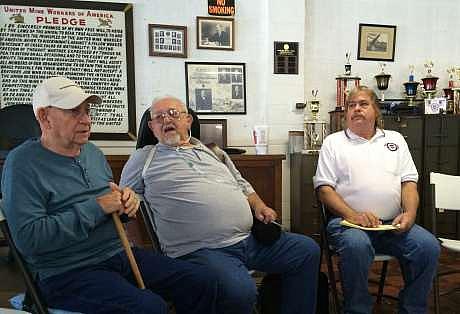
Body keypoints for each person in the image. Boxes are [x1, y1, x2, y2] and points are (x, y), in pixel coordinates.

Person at [1, 77, 218, 314]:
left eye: (87, 110)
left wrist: (126, 205)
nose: (86, 119)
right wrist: (98, 207)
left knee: (202, 280)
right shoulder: (22, 164)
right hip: (66, 272)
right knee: (149, 307)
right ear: (44, 117)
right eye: (74, 112)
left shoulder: (92, 153)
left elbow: (110, 208)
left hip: (117, 254)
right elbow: (29, 239)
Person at [120, 96, 320, 314]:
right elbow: (127, 204)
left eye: (173, 113)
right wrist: (138, 249)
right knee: (240, 291)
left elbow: (243, 185)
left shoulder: (213, 152)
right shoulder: (143, 158)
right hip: (199, 250)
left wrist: (259, 205)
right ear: (151, 127)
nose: (166, 119)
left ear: (188, 120)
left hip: (249, 240)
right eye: (159, 117)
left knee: (306, 250)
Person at [313, 86, 440, 314]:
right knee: (356, 245)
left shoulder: (395, 139)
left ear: (376, 111)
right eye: (351, 105)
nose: (356, 109)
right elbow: (324, 190)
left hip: (391, 224)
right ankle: (357, 309)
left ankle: (412, 308)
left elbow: (409, 183)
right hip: (347, 224)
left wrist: (410, 214)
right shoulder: (334, 142)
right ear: (346, 114)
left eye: (363, 104)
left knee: (428, 246)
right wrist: (354, 215)